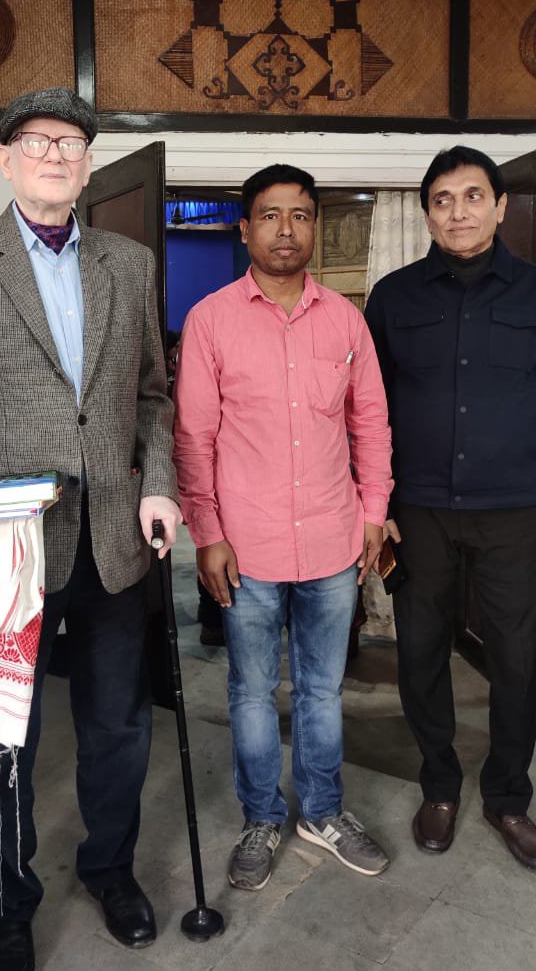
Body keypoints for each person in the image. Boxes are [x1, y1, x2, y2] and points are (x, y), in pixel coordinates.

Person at [0, 88, 181, 971]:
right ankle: (5, 904)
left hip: (114, 537)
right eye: (37, 141)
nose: (56, 155)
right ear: (5, 159)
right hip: (13, 545)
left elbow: (151, 395)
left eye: (71, 142)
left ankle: (110, 869)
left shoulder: (129, 263)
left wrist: (159, 485)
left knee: (119, 726)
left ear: (89, 164)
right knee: (3, 736)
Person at [173, 163, 393, 890]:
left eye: (300, 215)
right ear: (245, 230)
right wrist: (207, 532)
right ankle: (262, 815)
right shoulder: (211, 320)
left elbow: (371, 424)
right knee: (251, 690)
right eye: (270, 215)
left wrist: (374, 512)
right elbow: (193, 438)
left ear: (314, 227)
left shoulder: (346, 321)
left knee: (323, 691)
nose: (286, 230)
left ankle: (322, 811)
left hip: (333, 539)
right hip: (248, 547)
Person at [365, 146, 536, 867]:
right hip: (420, 511)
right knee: (421, 652)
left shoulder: (533, 292)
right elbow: (368, 409)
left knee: (519, 659)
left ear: (499, 206)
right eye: (443, 199)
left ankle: (508, 796)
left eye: (472, 196)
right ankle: (439, 783)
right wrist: (376, 501)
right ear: (427, 213)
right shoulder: (394, 297)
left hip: (515, 510)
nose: (458, 211)